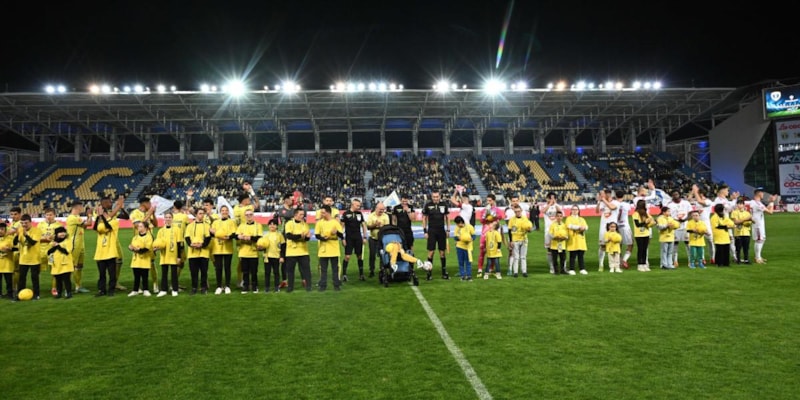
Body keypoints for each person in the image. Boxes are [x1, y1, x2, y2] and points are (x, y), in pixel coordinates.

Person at [130, 196, 159, 293]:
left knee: (152, 264)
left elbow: (156, 224)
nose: (150, 205)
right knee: (138, 266)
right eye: (149, 203)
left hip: (149, 242)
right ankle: (138, 286)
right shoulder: (135, 213)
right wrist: (149, 213)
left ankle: (155, 284)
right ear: (144, 203)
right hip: (138, 242)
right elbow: (137, 225)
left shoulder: (149, 213)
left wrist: (153, 214)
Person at [93, 198, 121, 296]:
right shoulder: (100, 223)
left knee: (112, 274)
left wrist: (102, 216)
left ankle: (111, 290)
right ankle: (101, 290)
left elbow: (108, 227)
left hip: (110, 252)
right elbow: (95, 228)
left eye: (100, 213)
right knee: (101, 274)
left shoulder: (114, 222)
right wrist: (98, 217)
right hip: (100, 253)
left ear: (105, 213)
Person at [422, 191, 451, 280]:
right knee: (431, 252)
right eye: (434, 197)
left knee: (442, 252)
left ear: (440, 196)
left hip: (441, 231)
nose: (435, 198)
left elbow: (447, 218)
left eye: (437, 196)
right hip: (431, 231)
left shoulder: (444, 205)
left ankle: (444, 273)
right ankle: (429, 273)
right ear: (431, 197)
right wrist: (425, 231)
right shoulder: (428, 205)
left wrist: (448, 230)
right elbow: (424, 218)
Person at [153, 212, 183, 297]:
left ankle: (174, 289)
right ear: (164, 219)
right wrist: (156, 248)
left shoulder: (177, 229)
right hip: (164, 255)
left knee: (174, 273)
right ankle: (163, 290)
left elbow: (179, 244)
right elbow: (158, 243)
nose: (168, 219)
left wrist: (179, 257)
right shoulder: (160, 231)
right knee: (164, 273)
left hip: (173, 255)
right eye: (166, 217)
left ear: (172, 219)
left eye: (170, 217)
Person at [314, 205, 343, 291]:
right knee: (323, 269)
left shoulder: (335, 223)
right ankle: (323, 285)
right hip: (323, 249)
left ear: (328, 213)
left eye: (323, 213)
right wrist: (324, 238)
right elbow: (317, 235)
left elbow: (341, 235)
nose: (321, 214)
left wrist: (336, 233)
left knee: (335, 268)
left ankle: (336, 285)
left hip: (334, 249)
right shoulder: (319, 223)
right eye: (321, 213)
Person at [66, 201, 93, 293]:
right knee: (71, 267)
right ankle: (67, 288)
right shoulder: (72, 218)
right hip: (74, 245)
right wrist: (90, 215)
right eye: (82, 206)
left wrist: (88, 218)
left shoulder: (77, 217)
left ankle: (78, 286)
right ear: (78, 207)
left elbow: (84, 227)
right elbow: (89, 224)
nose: (82, 208)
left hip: (80, 245)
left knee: (79, 266)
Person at [284, 208, 312, 292]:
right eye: (300, 214)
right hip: (291, 252)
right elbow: (289, 236)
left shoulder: (305, 224)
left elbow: (307, 238)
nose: (302, 216)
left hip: (303, 251)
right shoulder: (289, 223)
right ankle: (290, 288)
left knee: (307, 270)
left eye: (303, 214)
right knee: (290, 271)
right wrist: (300, 236)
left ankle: (309, 287)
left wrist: (307, 237)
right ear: (295, 215)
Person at [746, 188, 777, 264]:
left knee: (761, 239)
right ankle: (757, 257)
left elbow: (766, 209)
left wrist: (770, 202)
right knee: (759, 240)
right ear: (758, 193)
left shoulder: (756, 202)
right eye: (762, 192)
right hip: (757, 224)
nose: (763, 194)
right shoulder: (757, 204)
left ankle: (758, 256)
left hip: (758, 224)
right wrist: (772, 202)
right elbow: (770, 212)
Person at [37, 208, 63, 297]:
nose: (48, 216)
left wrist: (55, 239)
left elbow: (62, 238)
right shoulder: (40, 225)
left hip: (52, 252)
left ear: (54, 215)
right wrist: (44, 239)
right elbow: (36, 237)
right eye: (47, 215)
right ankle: (36, 288)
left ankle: (54, 288)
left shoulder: (58, 225)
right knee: (37, 270)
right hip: (40, 251)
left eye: (50, 215)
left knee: (54, 270)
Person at [211, 205, 237, 294]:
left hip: (227, 248)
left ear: (228, 212)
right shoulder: (215, 222)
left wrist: (228, 237)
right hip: (217, 248)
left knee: (227, 267)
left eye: (226, 210)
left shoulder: (231, 222)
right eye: (223, 210)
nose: (224, 212)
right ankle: (219, 286)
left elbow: (234, 234)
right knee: (218, 268)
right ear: (220, 212)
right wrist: (213, 232)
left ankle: (227, 286)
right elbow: (212, 233)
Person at [185, 208, 212, 294]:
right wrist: (191, 244)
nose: (202, 215)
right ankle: (194, 287)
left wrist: (202, 245)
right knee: (193, 272)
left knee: (204, 272)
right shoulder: (190, 226)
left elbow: (208, 238)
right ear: (196, 214)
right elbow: (187, 237)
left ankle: (203, 287)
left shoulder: (207, 225)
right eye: (200, 213)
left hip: (204, 252)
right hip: (192, 253)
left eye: (203, 213)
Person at [340, 198, 367, 282]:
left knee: (359, 256)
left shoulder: (359, 214)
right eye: (357, 205)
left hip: (358, 238)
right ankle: (344, 275)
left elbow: (364, 226)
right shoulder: (345, 214)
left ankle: (361, 274)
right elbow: (341, 227)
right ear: (352, 205)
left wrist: (364, 237)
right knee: (347, 256)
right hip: (349, 238)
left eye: (359, 205)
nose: (359, 207)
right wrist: (342, 238)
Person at [235, 209, 262, 293]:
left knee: (254, 271)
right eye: (247, 215)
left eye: (250, 214)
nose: (249, 216)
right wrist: (240, 237)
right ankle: (245, 286)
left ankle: (254, 286)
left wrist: (250, 238)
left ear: (253, 215)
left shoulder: (258, 225)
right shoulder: (241, 226)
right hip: (243, 252)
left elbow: (259, 237)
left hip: (254, 252)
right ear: (245, 216)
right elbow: (236, 236)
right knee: (245, 271)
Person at [711, 185, 739, 263]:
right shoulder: (718, 200)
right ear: (722, 190)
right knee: (725, 241)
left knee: (731, 239)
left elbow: (731, 208)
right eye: (727, 190)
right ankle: (721, 258)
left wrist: (734, 200)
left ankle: (734, 256)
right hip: (721, 222)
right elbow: (728, 208)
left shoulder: (725, 199)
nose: (728, 192)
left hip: (726, 220)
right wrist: (734, 200)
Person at [477, 194, 502, 277]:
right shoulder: (483, 210)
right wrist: (485, 216)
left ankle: (491, 268)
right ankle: (480, 268)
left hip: (494, 232)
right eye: (487, 200)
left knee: (493, 250)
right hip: (485, 232)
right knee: (482, 250)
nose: (488, 202)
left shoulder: (497, 210)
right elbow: (481, 221)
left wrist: (493, 215)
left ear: (494, 200)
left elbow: (500, 217)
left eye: (490, 200)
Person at [256, 219, 284, 293]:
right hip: (267, 257)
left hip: (276, 256)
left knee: (276, 272)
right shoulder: (265, 235)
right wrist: (260, 248)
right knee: (267, 273)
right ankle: (267, 287)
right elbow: (262, 247)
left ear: (277, 226)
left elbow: (283, 246)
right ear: (268, 226)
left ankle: (276, 287)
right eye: (270, 224)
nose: (272, 226)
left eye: (274, 224)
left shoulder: (279, 235)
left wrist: (282, 256)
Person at [665, 190, 691, 268]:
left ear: (680, 195)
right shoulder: (670, 205)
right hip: (675, 227)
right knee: (675, 244)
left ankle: (690, 260)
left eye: (676, 194)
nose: (675, 196)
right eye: (673, 195)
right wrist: (675, 220)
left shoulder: (686, 203)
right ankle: (675, 261)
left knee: (688, 243)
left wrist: (685, 219)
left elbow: (690, 213)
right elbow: (668, 215)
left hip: (685, 226)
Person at [127, 221, 154, 297]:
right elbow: (132, 246)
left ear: (146, 228)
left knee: (145, 276)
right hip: (136, 260)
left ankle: (146, 290)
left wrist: (137, 249)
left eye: (141, 226)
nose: (139, 228)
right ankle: (135, 290)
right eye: (138, 226)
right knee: (136, 276)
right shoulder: (135, 237)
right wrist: (131, 248)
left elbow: (146, 249)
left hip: (145, 259)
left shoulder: (149, 237)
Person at [596, 189, 619, 272]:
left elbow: (612, 207)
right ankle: (601, 264)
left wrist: (603, 199)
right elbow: (597, 211)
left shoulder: (615, 202)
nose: (603, 195)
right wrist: (599, 202)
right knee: (602, 245)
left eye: (604, 194)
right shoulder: (602, 203)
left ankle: (615, 265)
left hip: (613, 227)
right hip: (603, 227)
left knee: (614, 245)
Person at [48, 226, 74, 299]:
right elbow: (49, 252)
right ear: (56, 234)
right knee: (58, 279)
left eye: (63, 232)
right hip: (56, 264)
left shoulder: (68, 241)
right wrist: (54, 245)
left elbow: (66, 251)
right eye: (60, 232)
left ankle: (68, 293)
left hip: (65, 264)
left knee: (66, 279)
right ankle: (59, 293)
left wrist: (57, 245)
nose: (62, 234)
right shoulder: (52, 242)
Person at [508, 204, 533, 277]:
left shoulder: (525, 219)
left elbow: (529, 229)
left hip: (524, 239)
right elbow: (509, 230)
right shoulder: (512, 220)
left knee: (523, 256)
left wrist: (529, 230)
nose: (517, 213)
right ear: (514, 212)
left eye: (518, 211)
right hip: (515, 240)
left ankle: (524, 271)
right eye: (516, 212)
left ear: (521, 211)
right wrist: (511, 241)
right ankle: (515, 272)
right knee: (516, 257)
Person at [366, 203, 390, 279]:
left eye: (383, 209)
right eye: (380, 209)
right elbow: (368, 227)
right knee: (372, 255)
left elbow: (387, 228)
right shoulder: (371, 215)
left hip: (382, 239)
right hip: (373, 239)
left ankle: (381, 270)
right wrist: (375, 225)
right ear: (376, 208)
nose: (381, 211)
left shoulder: (386, 216)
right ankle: (371, 270)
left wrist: (380, 226)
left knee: (382, 255)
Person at [632, 200, 656, 272]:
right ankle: (640, 264)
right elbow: (637, 225)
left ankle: (644, 264)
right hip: (639, 234)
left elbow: (651, 221)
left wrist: (654, 222)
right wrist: (645, 222)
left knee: (645, 249)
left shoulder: (646, 214)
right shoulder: (635, 214)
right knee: (640, 249)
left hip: (646, 233)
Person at [542, 192, 562, 274]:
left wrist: (555, 204)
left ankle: (562, 266)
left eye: (553, 198)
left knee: (560, 248)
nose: (552, 200)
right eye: (550, 198)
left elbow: (560, 213)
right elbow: (543, 211)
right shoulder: (545, 206)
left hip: (558, 230)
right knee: (549, 249)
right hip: (548, 231)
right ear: (547, 198)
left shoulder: (558, 206)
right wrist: (550, 203)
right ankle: (551, 266)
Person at [565, 205, 589, 275]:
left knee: (581, 255)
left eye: (576, 209)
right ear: (571, 210)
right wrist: (579, 227)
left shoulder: (582, 219)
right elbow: (569, 226)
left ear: (578, 211)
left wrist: (583, 228)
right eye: (573, 209)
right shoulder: (569, 218)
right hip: (573, 239)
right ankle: (571, 269)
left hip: (581, 239)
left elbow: (586, 227)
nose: (575, 211)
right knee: (572, 255)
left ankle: (582, 268)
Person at [731, 199, 753, 264]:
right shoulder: (734, 212)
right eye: (738, 204)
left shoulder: (747, 213)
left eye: (741, 204)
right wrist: (745, 219)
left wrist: (742, 221)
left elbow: (749, 223)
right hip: (738, 233)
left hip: (746, 232)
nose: (739, 205)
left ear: (743, 205)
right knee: (738, 248)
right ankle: (738, 260)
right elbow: (736, 222)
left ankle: (746, 260)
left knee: (746, 247)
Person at [453, 216, 475, 281]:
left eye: (457, 223)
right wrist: (459, 238)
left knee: (468, 262)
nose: (457, 225)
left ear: (460, 222)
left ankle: (469, 276)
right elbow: (455, 237)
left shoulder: (469, 226)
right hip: (459, 247)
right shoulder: (457, 228)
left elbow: (474, 235)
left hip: (468, 248)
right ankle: (462, 276)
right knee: (461, 262)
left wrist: (471, 239)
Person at [548, 210, 569, 275]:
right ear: (556, 217)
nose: (559, 217)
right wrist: (555, 237)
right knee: (555, 259)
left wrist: (564, 237)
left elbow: (567, 234)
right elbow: (550, 234)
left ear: (562, 217)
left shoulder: (564, 225)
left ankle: (562, 270)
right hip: (554, 245)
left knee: (563, 258)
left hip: (562, 245)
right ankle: (556, 271)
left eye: (560, 216)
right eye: (558, 216)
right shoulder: (552, 225)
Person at [0, 223, 14, 298]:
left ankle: (10, 294)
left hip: (7, 263)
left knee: (9, 281)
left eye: (2, 229)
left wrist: (9, 249)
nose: (0, 231)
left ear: (5, 230)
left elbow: (15, 248)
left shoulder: (10, 239)